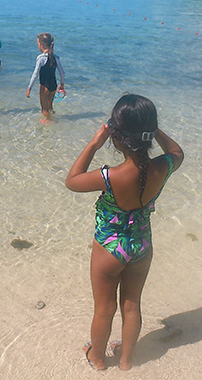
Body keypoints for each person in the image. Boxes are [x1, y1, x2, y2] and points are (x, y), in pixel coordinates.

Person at [65, 95, 183, 371]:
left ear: (116, 137)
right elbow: (178, 152)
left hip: (109, 249)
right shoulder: (162, 167)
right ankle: (127, 359)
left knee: (104, 310)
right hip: (142, 245)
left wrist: (95, 143)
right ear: (149, 135)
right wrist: (155, 130)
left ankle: (97, 357)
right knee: (132, 306)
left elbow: (72, 181)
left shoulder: (110, 176)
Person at [26, 32, 65, 123]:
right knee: (50, 106)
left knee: (44, 108)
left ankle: (49, 121)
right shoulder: (56, 58)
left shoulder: (41, 58)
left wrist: (29, 88)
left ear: (42, 45)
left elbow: (35, 74)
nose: (38, 46)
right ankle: (52, 117)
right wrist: (62, 84)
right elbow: (62, 73)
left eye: (38, 44)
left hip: (44, 86)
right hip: (53, 85)